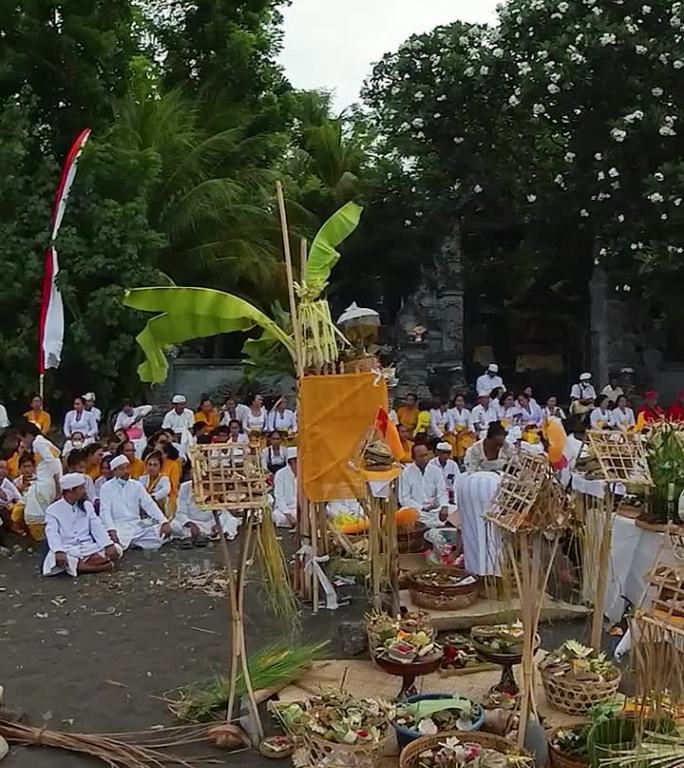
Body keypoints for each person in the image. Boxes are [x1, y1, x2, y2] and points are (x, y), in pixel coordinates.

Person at [43, 473, 122, 577]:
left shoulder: (87, 505)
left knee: (116, 549)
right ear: (71, 490)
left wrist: (108, 544)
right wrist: (59, 551)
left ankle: (83, 566)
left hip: (88, 547)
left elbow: (97, 527)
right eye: (81, 488)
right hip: (67, 548)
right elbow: (52, 533)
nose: (85, 491)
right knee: (58, 558)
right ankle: (99, 567)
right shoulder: (52, 510)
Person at [100, 455, 172, 550]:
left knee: (159, 526)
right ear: (114, 471)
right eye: (122, 469)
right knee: (111, 537)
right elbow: (105, 512)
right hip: (118, 525)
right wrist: (111, 529)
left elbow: (149, 505)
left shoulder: (136, 485)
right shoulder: (106, 487)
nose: (126, 471)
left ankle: (133, 542)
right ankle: (136, 542)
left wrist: (164, 522)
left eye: (127, 468)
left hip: (138, 523)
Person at [19, 422, 62, 540]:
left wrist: (58, 487)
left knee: (34, 508)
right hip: (47, 481)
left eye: (23, 438)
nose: (23, 442)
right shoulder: (43, 442)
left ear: (28, 435)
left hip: (47, 484)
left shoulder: (38, 443)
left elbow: (52, 463)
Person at [173, 478, 239, 544]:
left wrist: (218, 523)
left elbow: (221, 510)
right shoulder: (185, 487)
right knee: (174, 525)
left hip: (210, 522)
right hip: (191, 521)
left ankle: (204, 535)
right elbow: (180, 511)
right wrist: (190, 524)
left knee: (232, 520)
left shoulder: (218, 486)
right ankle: (193, 536)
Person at [399, 443, 450, 528]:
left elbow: (442, 492)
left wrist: (444, 506)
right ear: (413, 458)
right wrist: (422, 508)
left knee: (455, 511)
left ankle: (434, 523)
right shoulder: (406, 473)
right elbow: (404, 498)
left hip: (436, 509)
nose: (425, 459)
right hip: (417, 510)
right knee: (405, 515)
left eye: (426, 455)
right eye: (421, 456)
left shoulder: (436, 470)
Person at [138, 451, 170, 516]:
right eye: (150, 464)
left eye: (155, 465)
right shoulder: (142, 479)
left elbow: (166, 490)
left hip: (159, 510)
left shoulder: (164, 479)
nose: (151, 467)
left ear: (160, 467)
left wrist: (152, 497)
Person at [272, 446, 298, 527]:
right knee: (277, 517)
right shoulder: (280, 474)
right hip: (284, 511)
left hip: (300, 510)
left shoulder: (305, 475)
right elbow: (279, 496)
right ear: (292, 461)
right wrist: (288, 514)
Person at [0, 458, 21, 533]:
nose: (2, 471)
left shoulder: (7, 482)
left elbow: (18, 497)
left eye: (5, 468)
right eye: (0, 468)